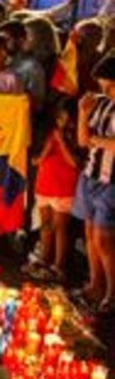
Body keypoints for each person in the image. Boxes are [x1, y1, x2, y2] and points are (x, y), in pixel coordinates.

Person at [75, 56, 115, 311]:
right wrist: (82, 114)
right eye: (103, 86)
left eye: (110, 86)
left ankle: (112, 291)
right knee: (89, 233)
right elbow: (82, 140)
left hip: (112, 180)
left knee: (104, 238)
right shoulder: (100, 104)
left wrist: (96, 140)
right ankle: (94, 283)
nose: (105, 91)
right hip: (90, 174)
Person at [26, 102, 79, 282]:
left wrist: (61, 141)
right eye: (59, 119)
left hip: (64, 189)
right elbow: (38, 160)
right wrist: (49, 145)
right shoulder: (49, 135)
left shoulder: (76, 139)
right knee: (46, 225)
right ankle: (44, 260)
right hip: (45, 185)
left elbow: (74, 163)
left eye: (66, 120)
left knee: (60, 228)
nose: (62, 124)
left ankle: (58, 265)